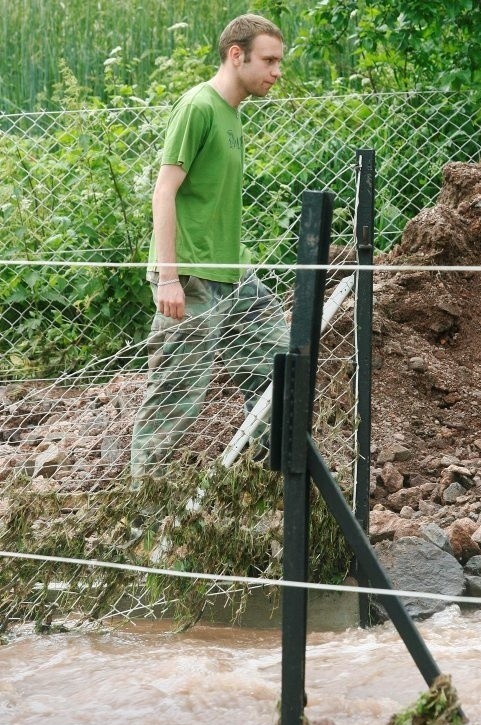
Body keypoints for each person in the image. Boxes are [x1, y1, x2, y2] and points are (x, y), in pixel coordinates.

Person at [131, 14, 290, 482]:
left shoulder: (233, 114)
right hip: (193, 279)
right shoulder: (199, 106)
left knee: (282, 368)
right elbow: (164, 191)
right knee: (177, 397)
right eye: (269, 60)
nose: (277, 72)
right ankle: (142, 505)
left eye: (279, 61)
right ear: (236, 55)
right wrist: (168, 277)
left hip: (233, 276)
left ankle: (266, 479)